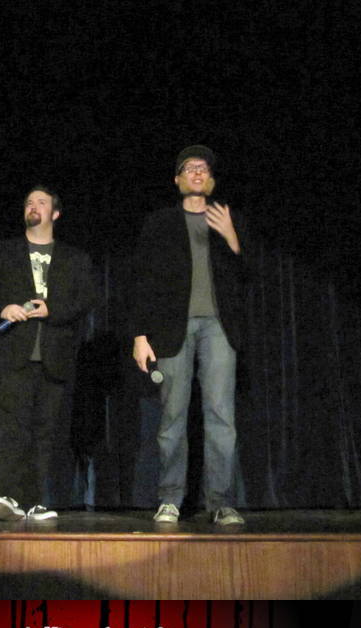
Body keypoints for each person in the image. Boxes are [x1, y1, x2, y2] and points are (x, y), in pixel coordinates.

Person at [131, 145, 247, 526]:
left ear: (211, 179)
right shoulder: (160, 223)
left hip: (219, 328)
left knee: (221, 417)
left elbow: (247, 277)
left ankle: (221, 502)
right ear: (177, 179)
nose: (197, 172)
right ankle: (169, 498)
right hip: (171, 328)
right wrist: (140, 335)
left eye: (203, 168)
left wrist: (231, 238)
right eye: (189, 168)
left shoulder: (227, 219)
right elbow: (143, 280)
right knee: (172, 418)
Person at [0, 186, 94, 520]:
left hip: (54, 357)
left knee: (45, 433)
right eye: (29, 202)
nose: (33, 206)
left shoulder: (74, 258)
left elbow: (86, 300)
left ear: (55, 213)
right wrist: (3, 308)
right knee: (12, 430)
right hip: (11, 354)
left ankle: (35, 501)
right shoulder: (4, 251)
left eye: (41, 202)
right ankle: (9, 497)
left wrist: (51, 310)